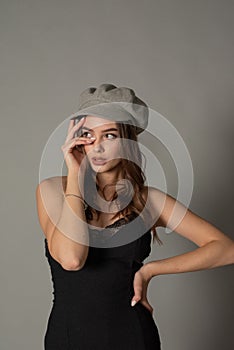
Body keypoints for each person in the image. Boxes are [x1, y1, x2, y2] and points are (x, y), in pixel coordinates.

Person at [36, 83, 234, 350]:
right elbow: (72, 259)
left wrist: (151, 270)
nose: (97, 146)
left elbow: (226, 249)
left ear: (127, 139)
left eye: (109, 135)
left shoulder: (149, 201)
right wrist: (75, 173)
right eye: (88, 134)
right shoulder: (51, 190)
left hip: (133, 336)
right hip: (70, 338)